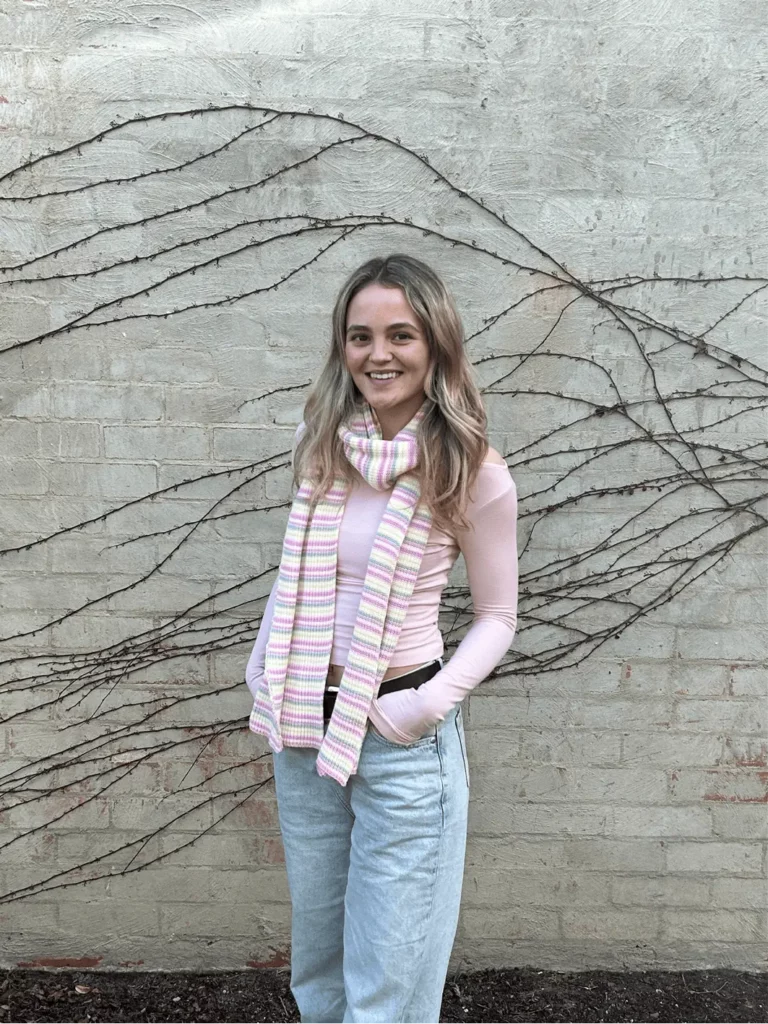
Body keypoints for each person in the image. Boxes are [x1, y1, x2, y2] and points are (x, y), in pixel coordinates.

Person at [245, 253, 518, 1024]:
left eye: (401, 334)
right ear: (343, 348)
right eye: (360, 336)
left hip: (400, 737)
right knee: (322, 969)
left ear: (435, 344)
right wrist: (261, 664)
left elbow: (498, 617)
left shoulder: (472, 469)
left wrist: (426, 707)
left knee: (388, 980)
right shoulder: (322, 442)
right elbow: (300, 574)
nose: (379, 354)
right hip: (302, 728)